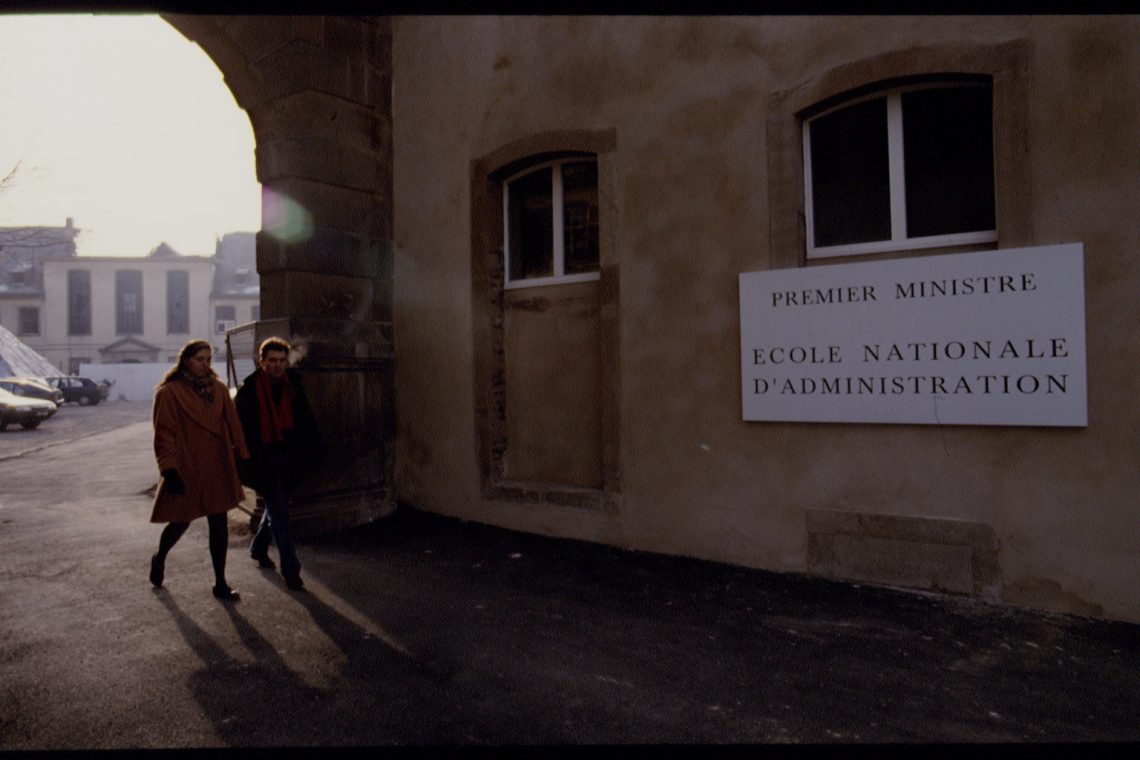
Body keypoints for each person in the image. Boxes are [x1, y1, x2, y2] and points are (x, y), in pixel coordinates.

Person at [148, 339, 250, 601]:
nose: (205, 364)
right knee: (180, 521)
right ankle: (160, 557)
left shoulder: (218, 389)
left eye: (208, 359)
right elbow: (164, 434)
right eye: (199, 359)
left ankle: (220, 582)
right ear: (185, 361)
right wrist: (169, 469)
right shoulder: (169, 393)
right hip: (187, 467)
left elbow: (234, 423)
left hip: (216, 464)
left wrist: (243, 454)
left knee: (219, 524)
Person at [234, 337, 321, 591]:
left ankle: (259, 547)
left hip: (289, 457)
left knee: (278, 507)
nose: (277, 366)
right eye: (272, 361)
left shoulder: (293, 385)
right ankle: (291, 571)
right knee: (280, 512)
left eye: (282, 360)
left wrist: (312, 450)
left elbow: (305, 419)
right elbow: (242, 431)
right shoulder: (249, 391)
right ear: (262, 362)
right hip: (263, 460)